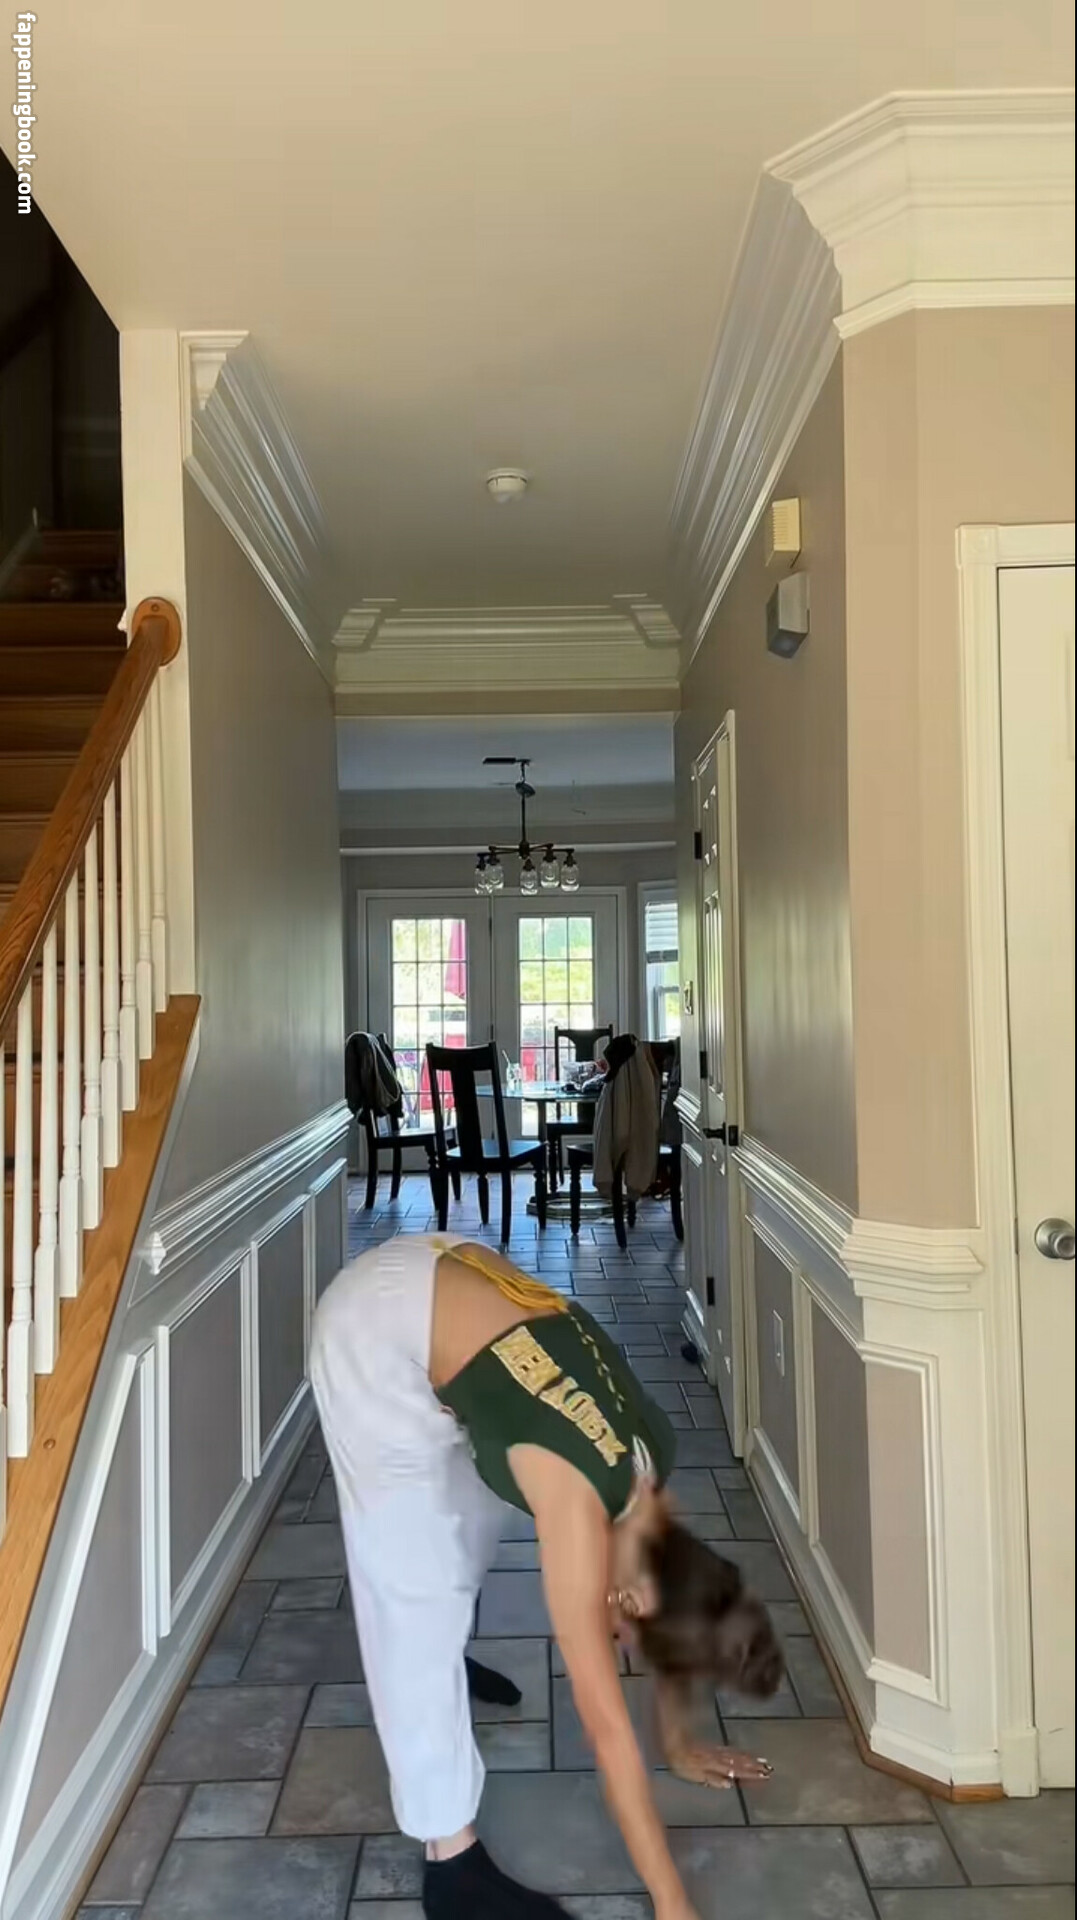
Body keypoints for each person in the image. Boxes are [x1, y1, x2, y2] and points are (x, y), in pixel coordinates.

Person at [311, 1232, 783, 1919]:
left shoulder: (653, 1471)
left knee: (467, 1522)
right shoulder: (576, 1508)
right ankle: (450, 1860)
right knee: (411, 1580)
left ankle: (446, 1658)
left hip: (443, 1270)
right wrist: (672, 1902)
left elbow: (673, 1616)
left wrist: (679, 1744)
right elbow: (607, 1731)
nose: (623, 1643)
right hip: (370, 1327)